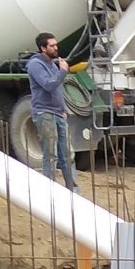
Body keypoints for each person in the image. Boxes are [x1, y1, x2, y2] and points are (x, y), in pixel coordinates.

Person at [25, 32, 77, 193]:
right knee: (50, 153)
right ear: (42, 48)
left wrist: (63, 110)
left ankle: (72, 189)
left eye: (56, 44)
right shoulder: (35, 65)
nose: (56, 48)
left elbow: (58, 91)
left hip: (58, 113)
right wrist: (63, 72)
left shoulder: (52, 64)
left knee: (67, 153)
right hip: (44, 113)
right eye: (52, 45)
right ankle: (50, 190)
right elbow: (48, 85)